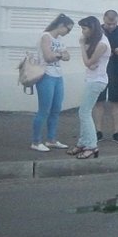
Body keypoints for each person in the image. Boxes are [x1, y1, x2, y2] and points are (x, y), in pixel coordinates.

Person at [67, 16, 110, 160]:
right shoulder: (97, 41)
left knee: (84, 112)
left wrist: (81, 45)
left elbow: (88, 62)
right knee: (84, 112)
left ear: (92, 29)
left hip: (97, 81)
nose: (82, 31)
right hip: (93, 79)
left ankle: (91, 145)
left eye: (84, 28)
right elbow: (89, 63)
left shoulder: (102, 44)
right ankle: (83, 142)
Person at [30, 14, 74, 152]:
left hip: (58, 75)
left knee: (56, 109)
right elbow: (48, 57)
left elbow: (68, 56)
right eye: (68, 29)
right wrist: (60, 54)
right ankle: (36, 141)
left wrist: (59, 55)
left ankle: (51, 139)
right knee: (44, 110)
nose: (68, 33)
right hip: (46, 75)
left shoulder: (59, 40)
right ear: (61, 26)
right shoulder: (46, 36)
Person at [93, 10, 118, 144]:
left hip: (116, 71)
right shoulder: (96, 31)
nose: (110, 26)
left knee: (116, 103)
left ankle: (116, 132)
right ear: (103, 20)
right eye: (108, 24)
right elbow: (88, 48)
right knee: (99, 102)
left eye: (113, 24)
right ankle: (98, 131)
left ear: (117, 20)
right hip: (99, 71)